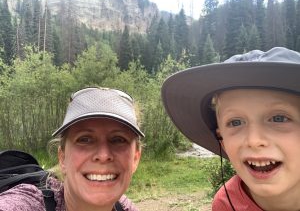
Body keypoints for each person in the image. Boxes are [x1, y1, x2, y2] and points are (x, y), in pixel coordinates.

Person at [161, 47, 300, 211]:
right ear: (223, 142)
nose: (254, 141)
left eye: (279, 118)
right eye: (235, 122)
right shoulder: (226, 204)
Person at [0, 87, 144, 211]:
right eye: (85, 139)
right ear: (62, 158)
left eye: (118, 140)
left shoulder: (123, 206)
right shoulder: (28, 203)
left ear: (135, 158)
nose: (103, 155)